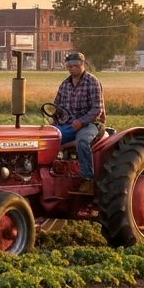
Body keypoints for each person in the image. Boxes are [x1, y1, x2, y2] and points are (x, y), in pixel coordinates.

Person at [53, 51, 105, 193]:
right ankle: (54, 174)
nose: (72, 68)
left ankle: (87, 178)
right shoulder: (65, 84)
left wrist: (81, 121)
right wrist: (54, 118)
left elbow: (97, 109)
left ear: (82, 65)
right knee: (50, 137)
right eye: (69, 66)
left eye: (75, 65)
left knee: (82, 140)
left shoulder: (92, 82)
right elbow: (57, 106)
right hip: (68, 123)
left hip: (91, 123)